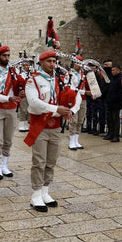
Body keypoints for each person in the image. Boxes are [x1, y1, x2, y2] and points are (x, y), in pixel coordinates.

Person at [24, 50, 81, 212]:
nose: (52, 64)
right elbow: (34, 103)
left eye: (54, 61)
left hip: (55, 126)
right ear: (41, 62)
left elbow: (76, 96)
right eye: (49, 61)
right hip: (39, 125)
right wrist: (56, 108)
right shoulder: (33, 80)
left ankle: (45, 191)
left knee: (51, 161)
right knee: (39, 161)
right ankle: (35, 194)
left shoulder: (59, 80)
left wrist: (71, 111)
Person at [0, 46, 22, 180]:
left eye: (8, 55)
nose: (7, 58)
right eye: (4, 56)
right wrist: (8, 98)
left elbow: (18, 87)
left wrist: (21, 93)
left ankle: (5, 165)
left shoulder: (14, 71)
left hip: (11, 108)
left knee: (8, 139)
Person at [66, 56, 87, 149]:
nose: (79, 65)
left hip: (83, 99)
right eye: (77, 63)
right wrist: (82, 92)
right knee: (73, 120)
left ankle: (76, 140)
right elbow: (69, 87)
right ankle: (71, 141)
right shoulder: (69, 74)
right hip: (74, 99)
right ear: (74, 63)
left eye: (80, 63)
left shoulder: (84, 74)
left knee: (80, 120)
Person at [105, 64, 122, 142]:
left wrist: (115, 98)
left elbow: (121, 91)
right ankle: (110, 133)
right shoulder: (112, 78)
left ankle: (116, 135)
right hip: (110, 101)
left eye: (113, 70)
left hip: (116, 102)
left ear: (118, 71)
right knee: (109, 119)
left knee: (115, 119)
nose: (112, 71)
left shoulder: (121, 78)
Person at [17, 61, 32, 132]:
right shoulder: (20, 75)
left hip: (29, 95)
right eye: (26, 65)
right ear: (23, 66)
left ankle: (26, 125)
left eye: (28, 65)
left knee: (29, 110)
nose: (27, 67)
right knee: (23, 110)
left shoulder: (31, 75)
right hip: (23, 95)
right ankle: (21, 125)